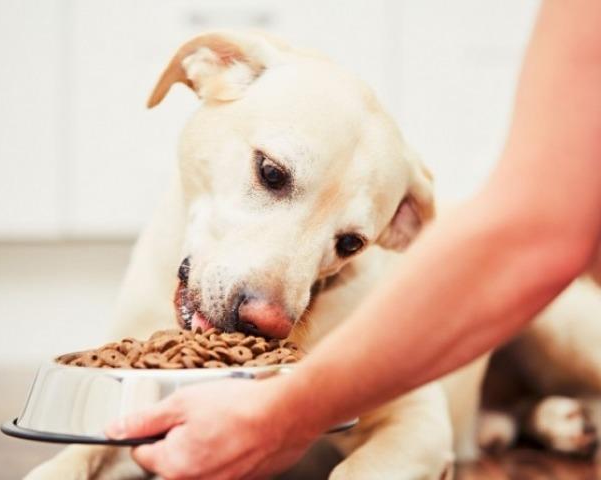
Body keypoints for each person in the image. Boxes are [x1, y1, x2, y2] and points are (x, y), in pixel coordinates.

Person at [105, 1, 601, 478]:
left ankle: (521, 409)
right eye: (272, 176)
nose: (275, 310)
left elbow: (535, 238)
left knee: (557, 311)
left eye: (346, 244)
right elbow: (114, 432)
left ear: (399, 229)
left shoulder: (392, 247)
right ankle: (525, 414)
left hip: (526, 328)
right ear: (211, 67)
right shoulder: (170, 243)